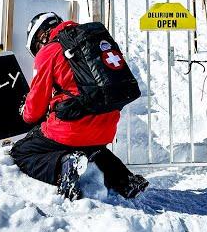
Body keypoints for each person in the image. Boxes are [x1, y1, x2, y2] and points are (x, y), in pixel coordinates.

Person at [10, 12, 149, 201]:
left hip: (72, 129)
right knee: (92, 150)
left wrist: (24, 112)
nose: (38, 49)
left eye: (37, 45)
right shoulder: (92, 42)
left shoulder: (49, 51)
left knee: (22, 151)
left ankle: (63, 166)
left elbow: (33, 111)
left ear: (42, 35)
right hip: (106, 128)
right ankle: (125, 180)